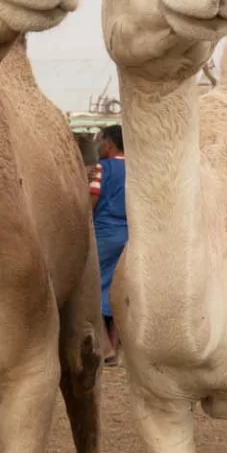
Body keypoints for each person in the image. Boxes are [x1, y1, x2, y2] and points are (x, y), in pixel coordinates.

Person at [90, 124, 128, 364]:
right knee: (117, 289)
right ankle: (114, 347)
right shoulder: (138, 168)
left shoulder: (102, 168)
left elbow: (92, 197)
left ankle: (105, 347)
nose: (98, 145)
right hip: (129, 233)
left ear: (110, 144)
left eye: (100, 140)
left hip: (104, 232)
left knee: (92, 287)